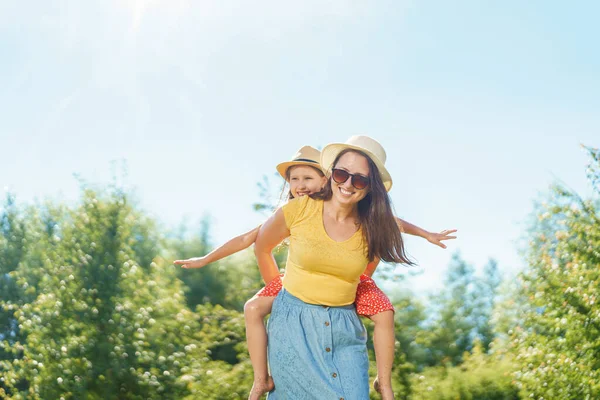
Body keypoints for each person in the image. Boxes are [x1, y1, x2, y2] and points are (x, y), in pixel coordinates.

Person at [175, 140, 456, 399]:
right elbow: (254, 241)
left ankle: (384, 382)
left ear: (370, 187)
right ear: (332, 175)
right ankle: (261, 379)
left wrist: (427, 234)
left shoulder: (374, 222)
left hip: (348, 307)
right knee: (253, 309)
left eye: (359, 179)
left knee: (385, 313)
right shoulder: (298, 210)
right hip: (294, 310)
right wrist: (274, 285)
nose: (348, 183)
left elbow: (397, 223)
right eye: (342, 175)